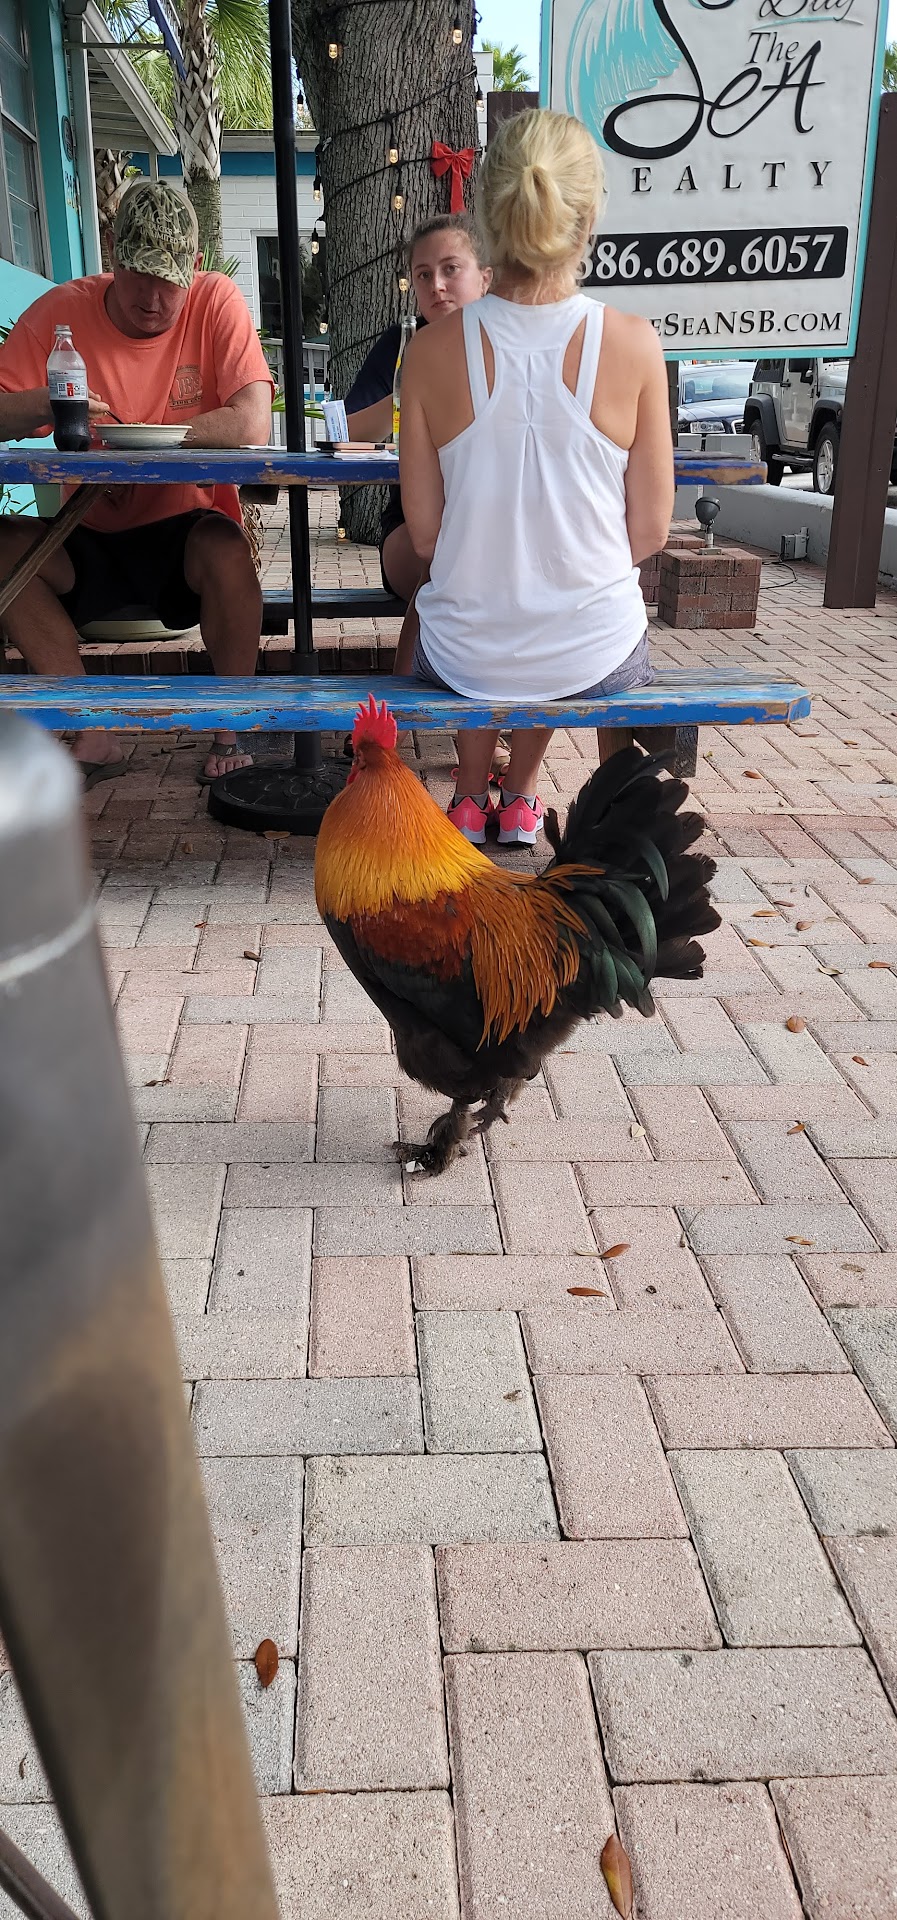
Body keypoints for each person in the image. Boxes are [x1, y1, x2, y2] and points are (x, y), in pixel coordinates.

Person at [398, 109, 674, 847]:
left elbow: (424, 536)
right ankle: (569, 814)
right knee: (574, 626)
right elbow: (649, 530)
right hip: (595, 649)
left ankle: (468, 797)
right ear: (587, 218)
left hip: (464, 656)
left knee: (469, 614)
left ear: (486, 220)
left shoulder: (430, 352)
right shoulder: (633, 342)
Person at [0, 181, 274, 786]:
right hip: (83, 531)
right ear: (113, 259)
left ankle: (230, 728)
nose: (152, 298)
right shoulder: (62, 314)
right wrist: (48, 402)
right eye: (138, 275)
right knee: (3, 545)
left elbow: (253, 421)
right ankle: (92, 728)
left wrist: (150, 442)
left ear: (194, 267)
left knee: (227, 547)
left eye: (169, 280)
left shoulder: (216, 299)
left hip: (184, 533)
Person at [345, 214, 491, 671]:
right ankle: (400, 704)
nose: (437, 286)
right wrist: (409, 389)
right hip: (410, 531)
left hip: (493, 526)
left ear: (485, 278)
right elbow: (347, 433)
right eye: (423, 275)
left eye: (451, 269)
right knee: (444, 561)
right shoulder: (402, 343)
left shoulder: (510, 344)